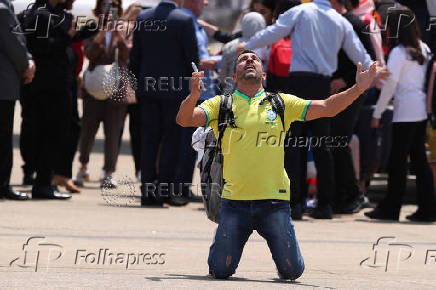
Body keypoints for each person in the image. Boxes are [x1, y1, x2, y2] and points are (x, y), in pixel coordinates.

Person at [176, 49, 378, 279]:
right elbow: (185, 120)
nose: (250, 60)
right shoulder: (220, 104)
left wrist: (359, 88)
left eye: (255, 59)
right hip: (234, 203)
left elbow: (328, 108)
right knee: (220, 271)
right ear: (233, 77)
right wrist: (193, 95)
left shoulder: (281, 102)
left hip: (274, 203)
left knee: (293, 272)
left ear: (264, 76)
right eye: (243, 59)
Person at [237, 0, 381, 219]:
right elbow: (359, 53)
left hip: (298, 83)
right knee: (324, 147)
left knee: (295, 145)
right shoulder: (339, 20)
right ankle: (325, 205)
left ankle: (295, 204)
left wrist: (249, 45)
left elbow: (274, 32)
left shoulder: (301, 11)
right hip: (323, 85)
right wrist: (374, 69)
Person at [365, 6, 436, 222]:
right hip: (420, 110)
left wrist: (377, 112)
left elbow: (390, 85)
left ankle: (391, 207)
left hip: (404, 112)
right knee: (418, 161)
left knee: (397, 162)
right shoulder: (423, 48)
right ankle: (427, 208)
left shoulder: (398, 52)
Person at [129, 0, 199, 206]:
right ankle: (163, 190)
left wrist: (137, 85)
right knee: (172, 141)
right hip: (175, 90)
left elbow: (135, 57)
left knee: (148, 140)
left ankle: (147, 191)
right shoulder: (184, 19)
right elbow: (191, 57)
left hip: (148, 89)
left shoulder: (143, 18)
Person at [21, 0, 81, 199]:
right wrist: (68, 36)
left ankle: (43, 182)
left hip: (50, 85)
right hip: (50, 86)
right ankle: (43, 184)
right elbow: (43, 47)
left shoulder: (48, 13)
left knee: (50, 133)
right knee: (51, 134)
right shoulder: (42, 15)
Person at [74, 0, 130, 189]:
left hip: (116, 87)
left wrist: (118, 36)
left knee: (113, 132)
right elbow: (89, 53)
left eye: (114, 4)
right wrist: (102, 35)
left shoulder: (124, 28)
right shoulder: (91, 26)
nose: (110, 7)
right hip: (94, 86)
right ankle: (83, 166)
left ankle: (108, 172)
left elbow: (127, 54)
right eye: (106, 3)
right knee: (88, 129)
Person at [329, 0, 376, 213]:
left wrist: (346, 81)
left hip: (352, 91)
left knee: (339, 140)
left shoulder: (353, 23)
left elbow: (369, 62)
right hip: (338, 91)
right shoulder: (334, 22)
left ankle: (354, 194)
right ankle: (342, 195)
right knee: (334, 141)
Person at [0, 0, 35, 200]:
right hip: (3, 86)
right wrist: (27, 63)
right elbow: (14, 43)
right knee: (3, 139)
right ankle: (2, 185)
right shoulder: (3, 10)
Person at [219, 12, 266, 94]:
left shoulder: (229, 46)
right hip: (259, 94)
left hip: (231, 92)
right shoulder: (266, 46)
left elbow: (223, 76)